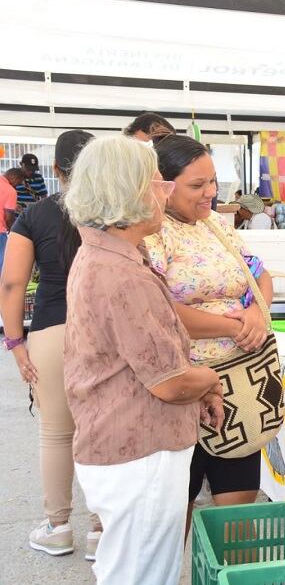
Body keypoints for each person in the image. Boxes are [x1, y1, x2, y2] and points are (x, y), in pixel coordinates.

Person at [62, 135, 223, 584]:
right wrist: (210, 377)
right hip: (140, 451)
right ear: (127, 191)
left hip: (123, 444)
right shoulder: (120, 272)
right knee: (143, 574)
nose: (166, 192)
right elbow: (170, 383)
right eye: (157, 182)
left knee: (135, 568)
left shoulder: (104, 253)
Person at [144, 134, 274, 527]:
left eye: (213, 181)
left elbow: (259, 273)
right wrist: (233, 326)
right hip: (181, 391)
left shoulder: (218, 224)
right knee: (173, 518)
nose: (210, 194)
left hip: (242, 387)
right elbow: (157, 312)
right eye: (197, 185)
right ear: (163, 186)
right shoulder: (152, 232)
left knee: (237, 518)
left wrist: (257, 315)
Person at [0, 131, 104, 560]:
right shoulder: (113, 211)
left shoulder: (35, 215)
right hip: (105, 332)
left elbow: (11, 283)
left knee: (57, 434)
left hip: (51, 330)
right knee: (101, 432)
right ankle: (102, 529)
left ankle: (58, 527)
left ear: (57, 170)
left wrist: (15, 343)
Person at [0, 168, 23, 270]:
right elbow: (9, 218)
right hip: (0, 232)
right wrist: (13, 231)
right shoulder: (10, 191)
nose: (17, 185)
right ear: (14, 178)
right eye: (18, 182)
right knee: (2, 266)